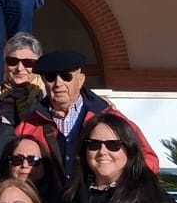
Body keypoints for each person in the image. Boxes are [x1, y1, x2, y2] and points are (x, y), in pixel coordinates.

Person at [17, 51, 160, 175]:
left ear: (81, 80)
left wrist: (121, 185)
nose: (58, 83)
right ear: (44, 82)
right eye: (51, 77)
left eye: (66, 76)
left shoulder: (108, 116)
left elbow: (148, 159)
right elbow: (12, 165)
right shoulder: (30, 123)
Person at [0, 132, 70, 203]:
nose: (25, 165)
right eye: (17, 159)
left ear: (45, 165)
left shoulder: (61, 202)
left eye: (33, 160)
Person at [0, 34, 46, 124]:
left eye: (28, 62)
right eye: (12, 61)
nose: (19, 68)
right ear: (4, 63)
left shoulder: (49, 94)